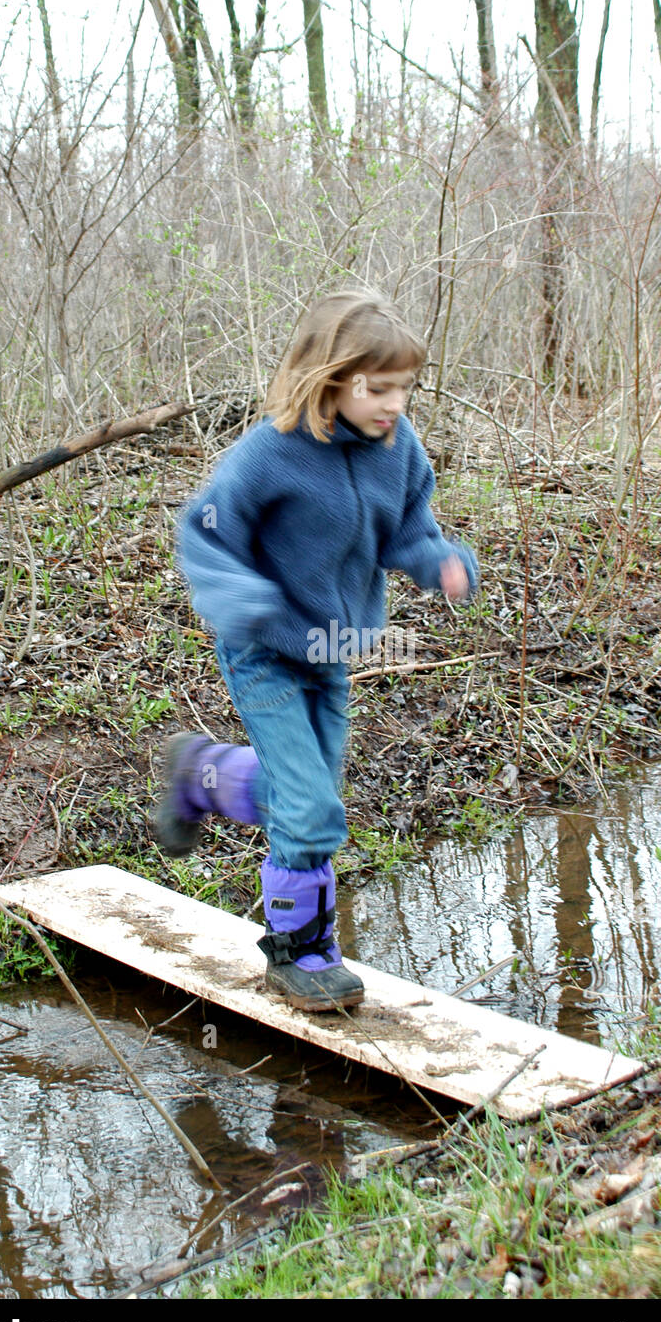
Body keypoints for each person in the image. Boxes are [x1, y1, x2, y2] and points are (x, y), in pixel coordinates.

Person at [153, 290, 478, 1013]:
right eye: (378, 387)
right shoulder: (270, 452)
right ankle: (298, 953)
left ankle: (201, 774)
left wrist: (440, 562)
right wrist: (242, 597)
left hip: (330, 650)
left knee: (306, 800)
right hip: (261, 650)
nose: (395, 403)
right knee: (310, 808)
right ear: (330, 376)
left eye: (404, 387)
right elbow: (204, 531)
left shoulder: (400, 450)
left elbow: (408, 532)